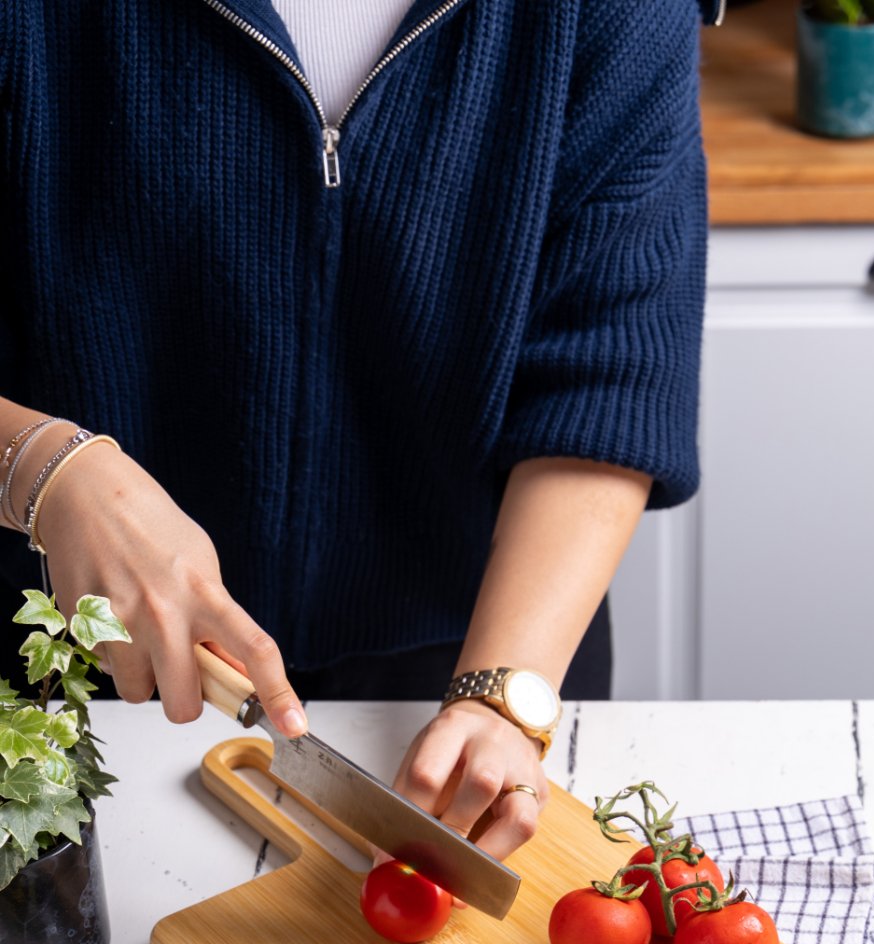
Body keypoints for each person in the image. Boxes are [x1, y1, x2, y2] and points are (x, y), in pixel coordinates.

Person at [0, 0, 707, 866]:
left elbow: (608, 369)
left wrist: (497, 698)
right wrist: (41, 469)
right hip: (57, 677)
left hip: (471, 659)